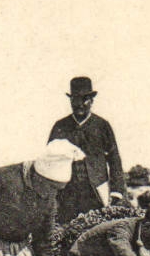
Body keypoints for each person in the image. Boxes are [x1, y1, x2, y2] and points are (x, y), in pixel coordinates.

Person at [49, 76, 129, 223]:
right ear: (71, 101)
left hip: (97, 194)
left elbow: (114, 159)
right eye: (75, 100)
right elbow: (49, 161)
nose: (80, 104)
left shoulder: (102, 125)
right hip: (67, 196)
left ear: (92, 101)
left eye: (84, 100)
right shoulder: (60, 127)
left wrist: (116, 191)